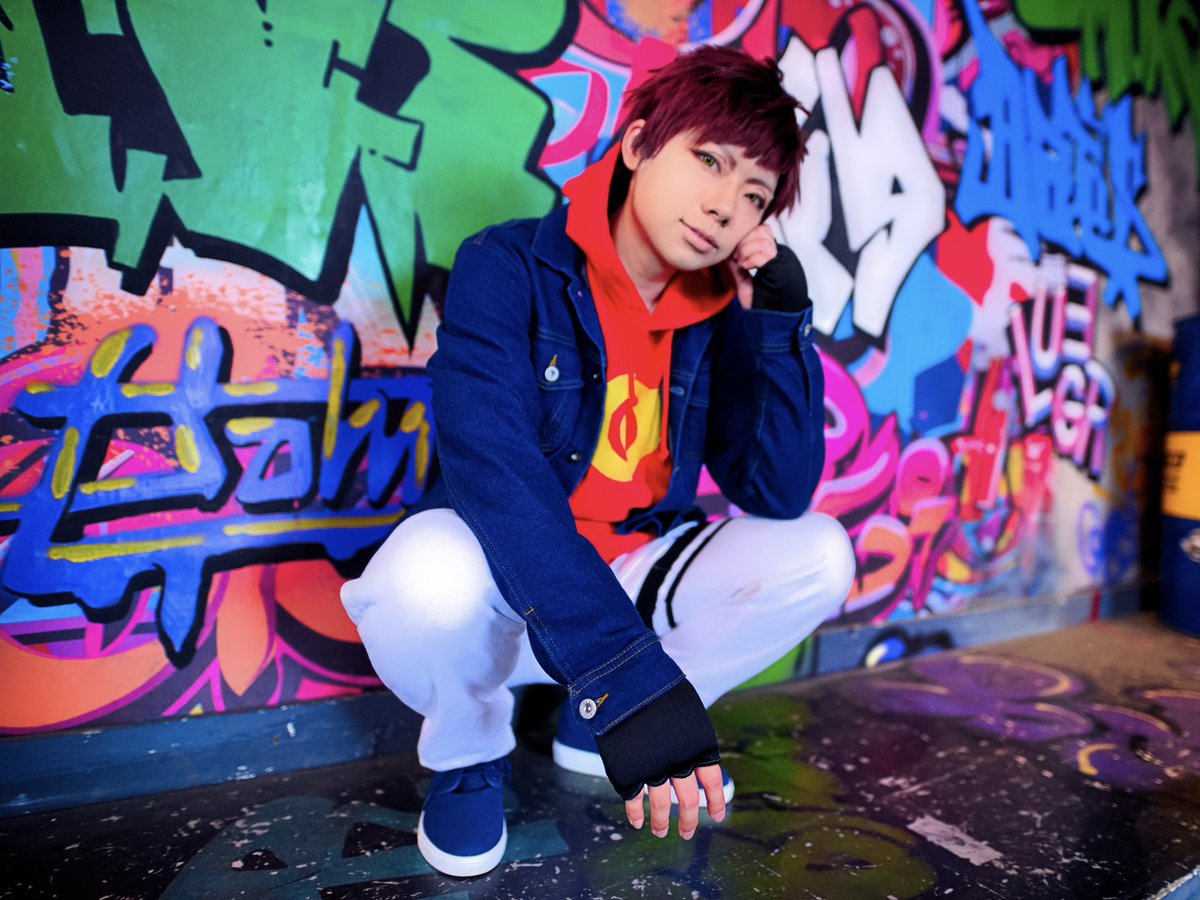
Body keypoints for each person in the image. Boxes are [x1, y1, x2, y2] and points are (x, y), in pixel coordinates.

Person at [340, 45, 855, 878]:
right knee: (419, 574)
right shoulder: (507, 266)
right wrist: (627, 680)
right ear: (639, 142)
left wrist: (780, 324)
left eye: (755, 195)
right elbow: (494, 473)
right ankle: (470, 750)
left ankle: (595, 720)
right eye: (709, 161)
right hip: (510, 596)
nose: (725, 206)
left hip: (636, 573)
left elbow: (777, 491)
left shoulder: (720, 314)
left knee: (821, 552)